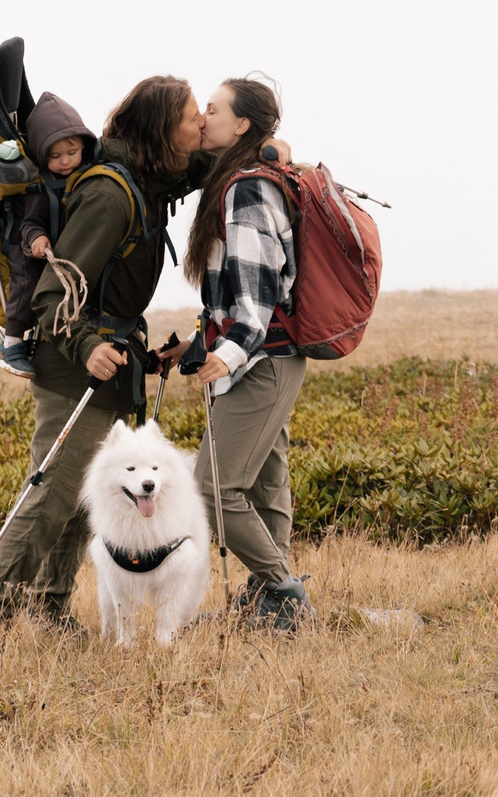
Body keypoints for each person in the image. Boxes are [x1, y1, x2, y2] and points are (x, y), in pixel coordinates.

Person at [0, 74, 202, 629]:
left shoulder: (146, 181)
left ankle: (49, 610)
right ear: (161, 130)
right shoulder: (110, 194)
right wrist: (88, 346)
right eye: (192, 118)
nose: (200, 125)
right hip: (73, 367)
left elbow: (204, 166)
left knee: (83, 505)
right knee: (53, 494)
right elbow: (54, 294)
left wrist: (257, 143)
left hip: (110, 364)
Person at [183, 74, 311, 629]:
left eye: (212, 108)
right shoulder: (233, 178)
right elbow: (231, 290)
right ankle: (270, 601)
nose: (203, 116)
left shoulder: (249, 186)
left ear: (241, 125)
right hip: (270, 356)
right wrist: (197, 343)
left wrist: (228, 354)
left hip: (262, 358)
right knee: (264, 484)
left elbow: (256, 294)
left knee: (211, 488)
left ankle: (282, 592)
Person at [0, 92, 97, 378]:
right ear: (41, 154)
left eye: (71, 152)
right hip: (27, 247)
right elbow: (30, 222)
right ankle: (11, 343)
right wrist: (37, 237)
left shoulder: (85, 177)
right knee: (28, 286)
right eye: (55, 155)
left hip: (57, 247)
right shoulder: (41, 186)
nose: (65, 162)